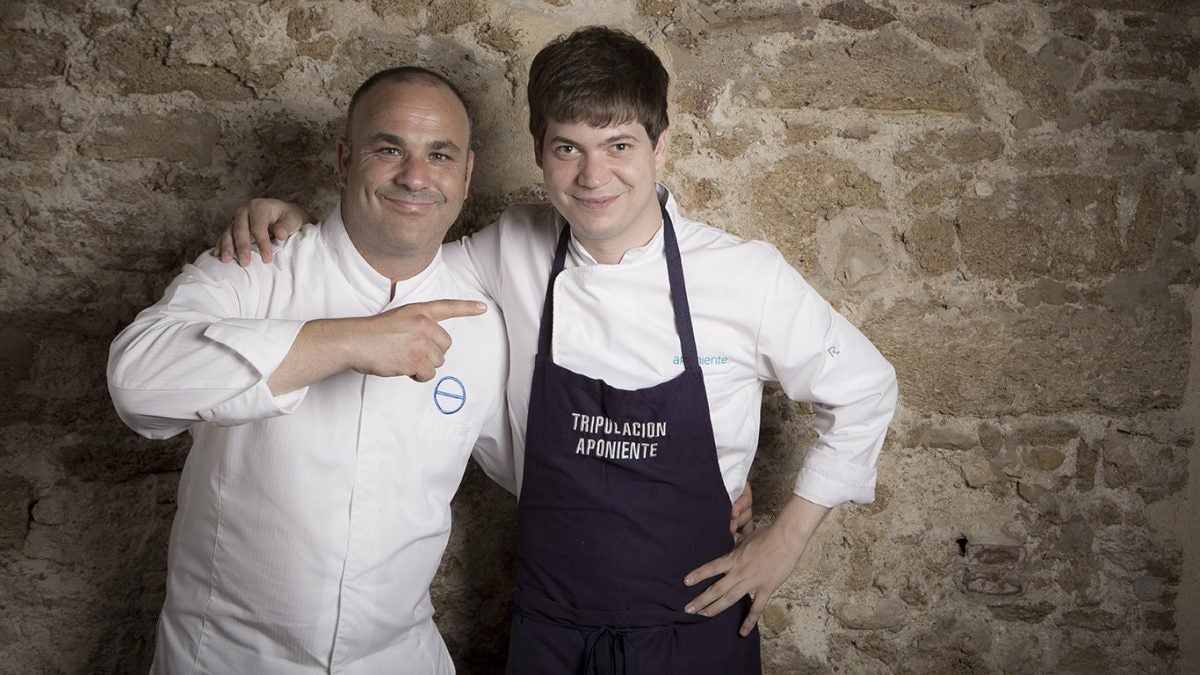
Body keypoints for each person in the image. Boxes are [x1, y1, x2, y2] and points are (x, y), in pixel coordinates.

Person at [217, 27, 898, 674]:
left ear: (661, 148)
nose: (593, 174)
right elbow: (391, 258)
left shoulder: (743, 275)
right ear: (540, 153)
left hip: (693, 631)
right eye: (569, 147)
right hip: (551, 631)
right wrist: (297, 225)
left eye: (619, 145)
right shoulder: (509, 248)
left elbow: (865, 388)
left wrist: (786, 540)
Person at [107, 67, 517, 674]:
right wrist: (348, 341)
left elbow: (549, 473)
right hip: (225, 659)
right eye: (388, 149)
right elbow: (135, 383)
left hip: (399, 659)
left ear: (467, 174)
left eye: (439, 154)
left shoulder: (487, 322)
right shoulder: (255, 265)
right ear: (345, 159)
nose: (415, 176)